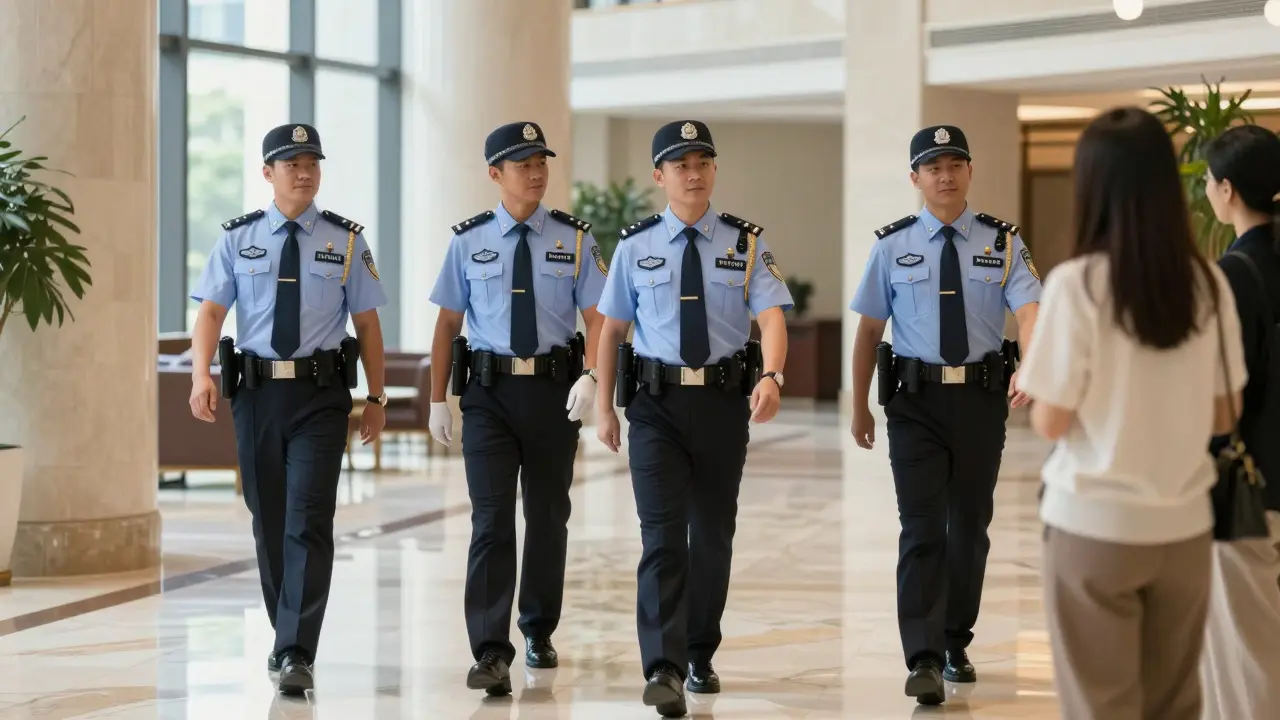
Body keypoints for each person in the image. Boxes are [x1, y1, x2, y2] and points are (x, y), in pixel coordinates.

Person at [1016, 107, 1247, 720]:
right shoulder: (1208, 285)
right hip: (1185, 529)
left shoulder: (1077, 285)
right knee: (1175, 704)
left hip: (1093, 527)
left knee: (1102, 705)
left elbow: (1051, 422)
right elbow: (1225, 414)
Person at [593, 119, 793, 718]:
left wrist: (772, 375)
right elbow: (611, 330)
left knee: (711, 536)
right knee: (661, 537)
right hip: (655, 407)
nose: (694, 173)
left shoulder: (745, 243)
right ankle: (663, 667)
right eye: (681, 164)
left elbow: (772, 317)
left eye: (703, 162)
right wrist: (604, 407)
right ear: (660, 176)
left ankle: (699, 652)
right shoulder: (635, 247)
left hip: (722, 405)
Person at [188, 123, 388, 695]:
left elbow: (367, 324)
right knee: (269, 517)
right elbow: (210, 313)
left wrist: (375, 397)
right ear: (267, 172)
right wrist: (201, 374)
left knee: (309, 516)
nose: (304, 173)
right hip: (256, 396)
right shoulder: (238, 239)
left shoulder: (346, 241)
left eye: (312, 163)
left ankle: (298, 649)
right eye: (292, 164)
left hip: (320, 397)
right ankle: (286, 632)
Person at [848, 125, 1041, 706]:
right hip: (916, 404)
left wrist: (1030, 365)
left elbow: (1030, 310)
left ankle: (956, 640)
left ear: (970, 171)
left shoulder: (1003, 242)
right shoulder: (891, 246)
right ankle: (925, 658)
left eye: (955, 164)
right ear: (916, 178)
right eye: (933, 167)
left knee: (970, 527)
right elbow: (869, 331)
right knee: (922, 527)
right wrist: (858, 404)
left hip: (980, 401)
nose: (945, 176)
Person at [426, 121, 607, 697]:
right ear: (495, 173)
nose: (536, 173)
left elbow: (599, 318)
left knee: (549, 517)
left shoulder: (575, 239)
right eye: (523, 164)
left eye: (541, 163)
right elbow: (447, 324)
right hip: (489, 397)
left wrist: (593, 375)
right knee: (490, 520)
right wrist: (437, 399)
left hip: (555, 393)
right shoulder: (467, 241)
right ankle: (489, 649)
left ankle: (538, 629)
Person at [1198, 124, 1280, 720]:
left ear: (1227, 189)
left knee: (1244, 645)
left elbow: (1219, 396)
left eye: (1208, 180)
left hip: (1252, 486)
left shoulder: (1233, 275)